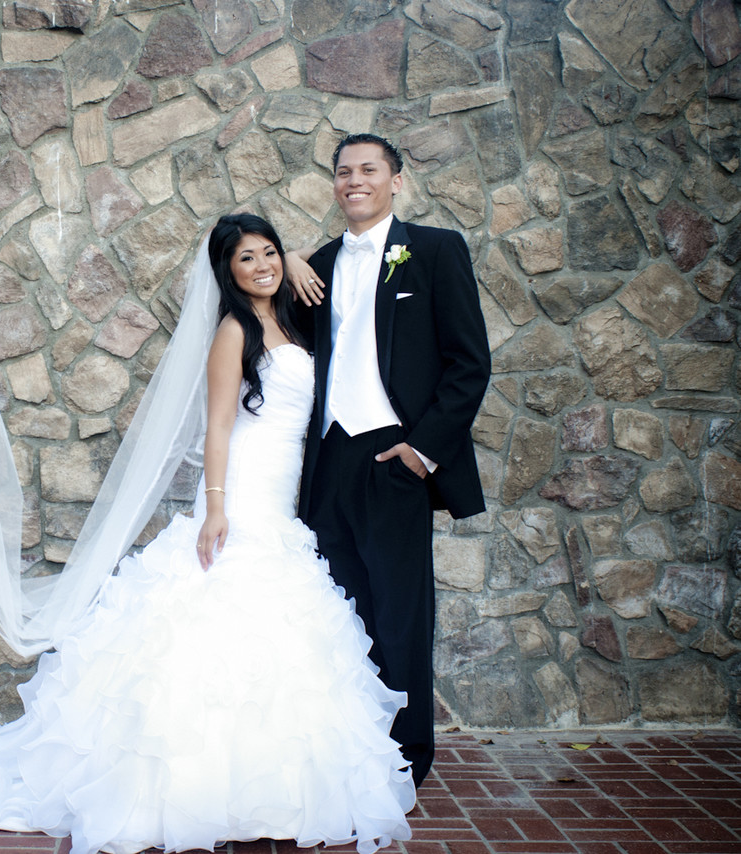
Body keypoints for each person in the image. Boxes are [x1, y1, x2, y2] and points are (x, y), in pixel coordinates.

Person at [0, 213, 414, 854]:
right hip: (242, 487)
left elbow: (300, 264)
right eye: (246, 259)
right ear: (226, 272)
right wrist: (215, 507)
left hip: (282, 494)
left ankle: (268, 790)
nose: (262, 266)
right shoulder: (234, 331)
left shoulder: (289, 319)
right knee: (222, 615)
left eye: (269, 254)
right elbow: (218, 426)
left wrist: (297, 257)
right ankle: (198, 787)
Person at [284, 133, 491, 788]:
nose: (355, 180)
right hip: (329, 461)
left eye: (368, 169)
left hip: (394, 458)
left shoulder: (434, 250)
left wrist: (423, 453)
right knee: (336, 612)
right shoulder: (317, 264)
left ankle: (404, 761)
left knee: (400, 615)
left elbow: (469, 363)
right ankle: (347, 753)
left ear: (395, 181)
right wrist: (286, 258)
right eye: (344, 171)